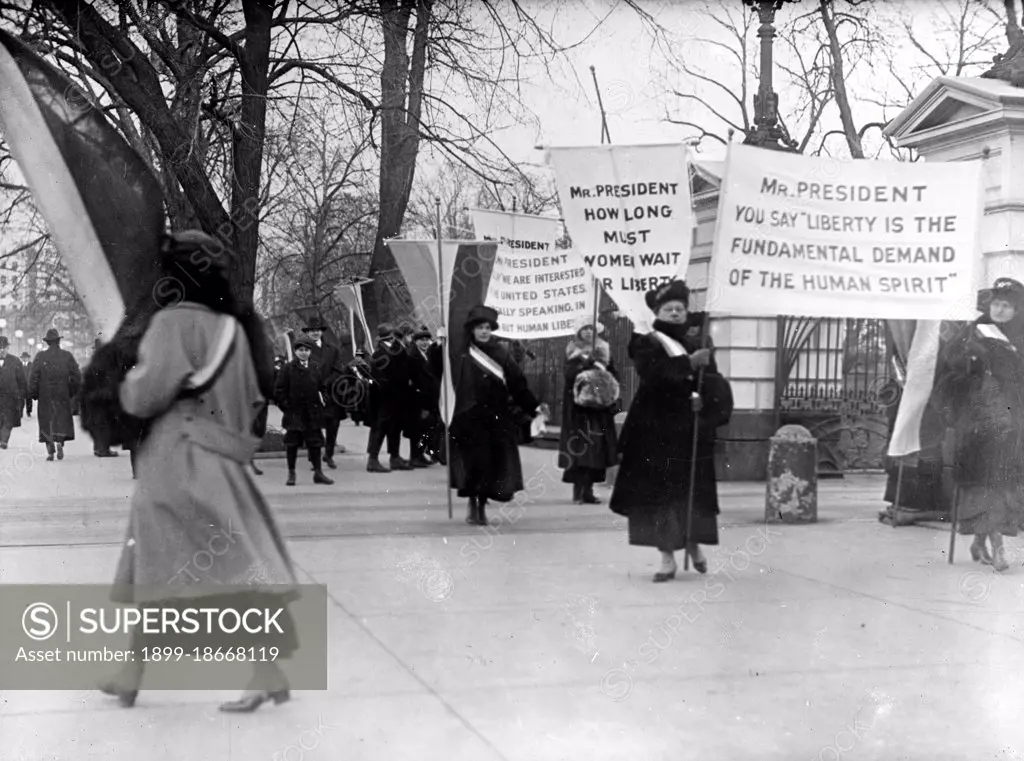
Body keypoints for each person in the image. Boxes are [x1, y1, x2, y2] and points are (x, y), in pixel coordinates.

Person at [98, 230, 300, 713]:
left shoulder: (170, 323)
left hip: (175, 463)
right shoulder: (233, 330)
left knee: (161, 569)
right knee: (230, 569)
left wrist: (125, 384)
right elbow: (253, 396)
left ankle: (135, 672)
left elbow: (146, 396)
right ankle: (263, 671)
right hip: (221, 462)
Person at [609, 280, 732, 582]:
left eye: (680, 308)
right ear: (657, 312)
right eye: (669, 309)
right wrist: (689, 363)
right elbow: (653, 376)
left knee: (692, 493)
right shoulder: (646, 341)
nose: (676, 313)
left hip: (691, 427)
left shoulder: (699, 338)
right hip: (657, 430)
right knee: (661, 495)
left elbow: (713, 380)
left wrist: (707, 399)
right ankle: (666, 558)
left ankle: (693, 545)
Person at [942, 277, 1024, 572]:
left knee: (1002, 483)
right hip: (977, 422)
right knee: (984, 482)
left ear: (1016, 310)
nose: (1000, 310)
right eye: (997, 304)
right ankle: (998, 549)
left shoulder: (1020, 337)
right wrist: (969, 364)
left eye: (1007, 305)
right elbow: (949, 367)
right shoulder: (973, 331)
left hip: (1011, 422)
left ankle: (981, 540)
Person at [449, 305, 539, 526]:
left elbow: (518, 385)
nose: (484, 331)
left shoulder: (501, 353)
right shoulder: (460, 352)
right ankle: (475, 504)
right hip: (469, 418)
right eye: (480, 327)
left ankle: (481, 502)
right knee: (474, 463)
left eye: (487, 327)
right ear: (472, 330)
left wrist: (533, 408)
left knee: (492, 465)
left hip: (497, 418)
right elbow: (444, 376)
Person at [558, 318, 619, 504]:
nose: (588, 332)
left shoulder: (604, 351)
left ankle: (589, 490)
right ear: (579, 332)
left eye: (591, 329)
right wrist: (585, 364)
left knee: (597, 450)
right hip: (579, 410)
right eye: (585, 329)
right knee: (580, 449)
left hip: (599, 409)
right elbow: (569, 376)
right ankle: (578, 490)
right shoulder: (572, 352)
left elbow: (613, 374)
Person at [275, 333, 334, 486]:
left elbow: (322, 387)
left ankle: (318, 473)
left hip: (312, 414)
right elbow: (279, 391)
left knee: (315, 443)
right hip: (294, 414)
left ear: (310, 351)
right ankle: (291, 473)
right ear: (295, 351)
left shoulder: (316, 367)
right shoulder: (288, 368)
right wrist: (287, 407)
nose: (303, 352)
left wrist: (323, 399)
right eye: (300, 350)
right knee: (292, 444)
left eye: (306, 350)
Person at [28, 328, 81, 461]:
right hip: (62, 394)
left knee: (47, 421)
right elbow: (77, 376)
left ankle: (50, 448)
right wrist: (71, 391)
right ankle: (59, 442)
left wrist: (34, 393)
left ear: (47, 342)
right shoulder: (67, 356)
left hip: (45, 394)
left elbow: (34, 376)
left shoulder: (40, 356)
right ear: (58, 341)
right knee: (61, 420)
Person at [366, 323, 413, 473]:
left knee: (395, 427)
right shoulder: (381, 353)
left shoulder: (391, 350)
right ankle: (373, 459)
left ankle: (395, 457)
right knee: (380, 427)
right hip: (385, 397)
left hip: (395, 396)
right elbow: (382, 378)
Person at [301, 317, 347, 467]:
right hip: (311, 393)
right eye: (312, 331)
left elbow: (338, 369)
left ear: (322, 332)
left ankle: (329, 454)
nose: (315, 333)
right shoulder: (303, 349)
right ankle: (313, 455)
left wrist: (327, 383)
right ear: (307, 333)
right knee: (313, 426)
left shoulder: (332, 349)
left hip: (330, 393)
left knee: (333, 425)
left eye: (317, 330)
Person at [407, 325, 441, 468]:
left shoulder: (428, 354)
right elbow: (414, 381)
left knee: (426, 429)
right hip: (418, 400)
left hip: (429, 399)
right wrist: (423, 404)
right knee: (417, 430)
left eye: (427, 340)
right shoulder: (413, 356)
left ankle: (420, 454)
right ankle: (414, 456)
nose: (425, 342)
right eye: (421, 340)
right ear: (415, 341)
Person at [0, 336, 27, 449]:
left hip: (11, 397)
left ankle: (4, 440)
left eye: (4, 347)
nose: (2, 350)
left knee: (8, 419)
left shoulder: (15, 361)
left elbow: (21, 380)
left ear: (7, 348)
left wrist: (22, 395)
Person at [20, 352, 32, 418]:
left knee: (29, 399)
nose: (24, 359)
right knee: (21, 400)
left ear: (28, 358)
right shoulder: (19, 365)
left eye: (26, 357)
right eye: (23, 357)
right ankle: (20, 412)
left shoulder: (31, 365)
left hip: (29, 385)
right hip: (21, 385)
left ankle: (28, 412)